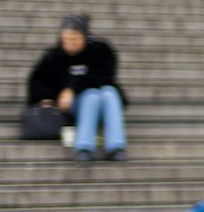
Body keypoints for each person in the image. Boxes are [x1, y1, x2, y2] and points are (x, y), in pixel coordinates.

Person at [27, 15, 128, 162]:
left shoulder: (101, 50)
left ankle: (116, 146)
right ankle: (84, 147)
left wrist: (72, 89)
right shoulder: (54, 56)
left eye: (74, 40)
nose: (69, 45)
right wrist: (44, 97)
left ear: (85, 37)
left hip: (105, 103)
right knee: (92, 95)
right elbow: (37, 79)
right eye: (66, 40)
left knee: (110, 92)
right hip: (76, 105)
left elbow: (104, 77)